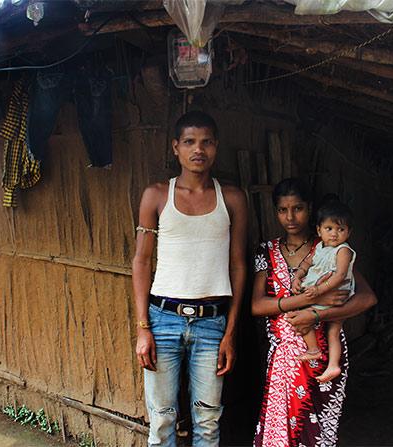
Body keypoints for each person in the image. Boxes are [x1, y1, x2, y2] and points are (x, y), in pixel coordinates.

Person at [132, 111, 247, 447]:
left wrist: (230, 333)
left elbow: (238, 266)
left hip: (213, 324)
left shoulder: (232, 198)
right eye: (190, 142)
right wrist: (143, 329)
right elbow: (141, 261)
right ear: (175, 148)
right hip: (162, 319)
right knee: (162, 418)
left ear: (216, 147)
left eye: (206, 142)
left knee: (208, 421)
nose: (199, 149)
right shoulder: (156, 196)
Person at [251, 178, 377, 447]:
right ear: (275, 211)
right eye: (283, 210)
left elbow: (367, 298)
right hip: (283, 357)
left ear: (310, 208)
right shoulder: (267, 251)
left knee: (317, 433)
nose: (290, 217)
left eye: (298, 208)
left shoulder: (330, 247)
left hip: (323, 355)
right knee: (281, 432)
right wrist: (303, 303)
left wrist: (317, 315)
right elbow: (257, 306)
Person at [291, 199, 356, 383]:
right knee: (332, 331)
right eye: (329, 229)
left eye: (341, 229)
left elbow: (340, 275)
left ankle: (314, 350)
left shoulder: (343, 251)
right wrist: (298, 276)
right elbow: (306, 263)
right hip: (319, 292)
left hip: (336, 295)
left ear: (348, 232)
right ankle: (333, 366)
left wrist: (319, 290)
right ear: (319, 230)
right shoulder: (319, 247)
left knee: (300, 318)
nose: (334, 234)